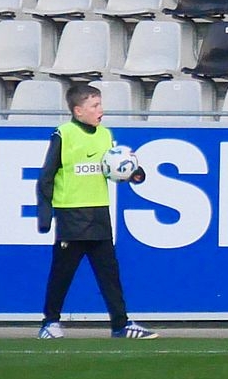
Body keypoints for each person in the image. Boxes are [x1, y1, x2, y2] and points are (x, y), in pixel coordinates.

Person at [36, 83, 157, 340]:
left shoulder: (105, 135)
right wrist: (45, 214)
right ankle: (50, 322)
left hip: (99, 213)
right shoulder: (64, 134)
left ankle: (121, 324)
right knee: (62, 273)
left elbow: (110, 166)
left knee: (109, 273)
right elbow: (46, 176)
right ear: (78, 111)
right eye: (94, 105)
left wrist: (133, 172)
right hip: (72, 215)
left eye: (100, 104)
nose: (100, 110)